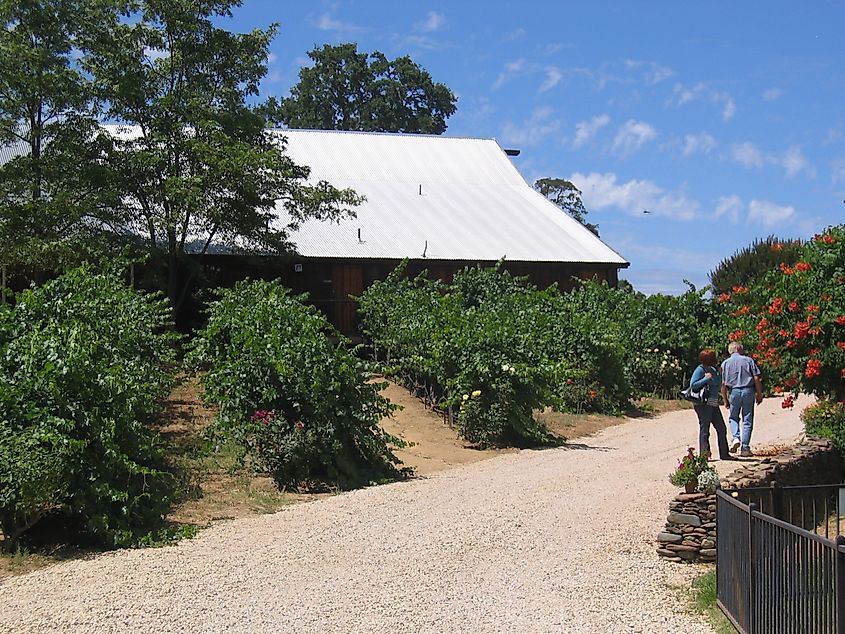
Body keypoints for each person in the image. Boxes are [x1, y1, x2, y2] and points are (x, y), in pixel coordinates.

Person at [720, 341, 763, 457]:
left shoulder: (725, 364)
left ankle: (735, 437)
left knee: (733, 417)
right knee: (747, 419)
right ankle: (745, 448)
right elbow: (756, 378)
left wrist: (725, 399)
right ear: (740, 349)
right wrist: (759, 394)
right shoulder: (748, 360)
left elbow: (723, 384)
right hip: (748, 390)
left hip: (733, 391)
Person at [689, 349, 733, 461]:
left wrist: (719, 373)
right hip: (702, 403)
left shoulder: (713, 369)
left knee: (721, 427)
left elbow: (718, 384)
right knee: (705, 429)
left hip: (713, 402)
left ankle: (724, 453)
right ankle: (704, 456)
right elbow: (693, 385)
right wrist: (705, 379)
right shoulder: (700, 370)